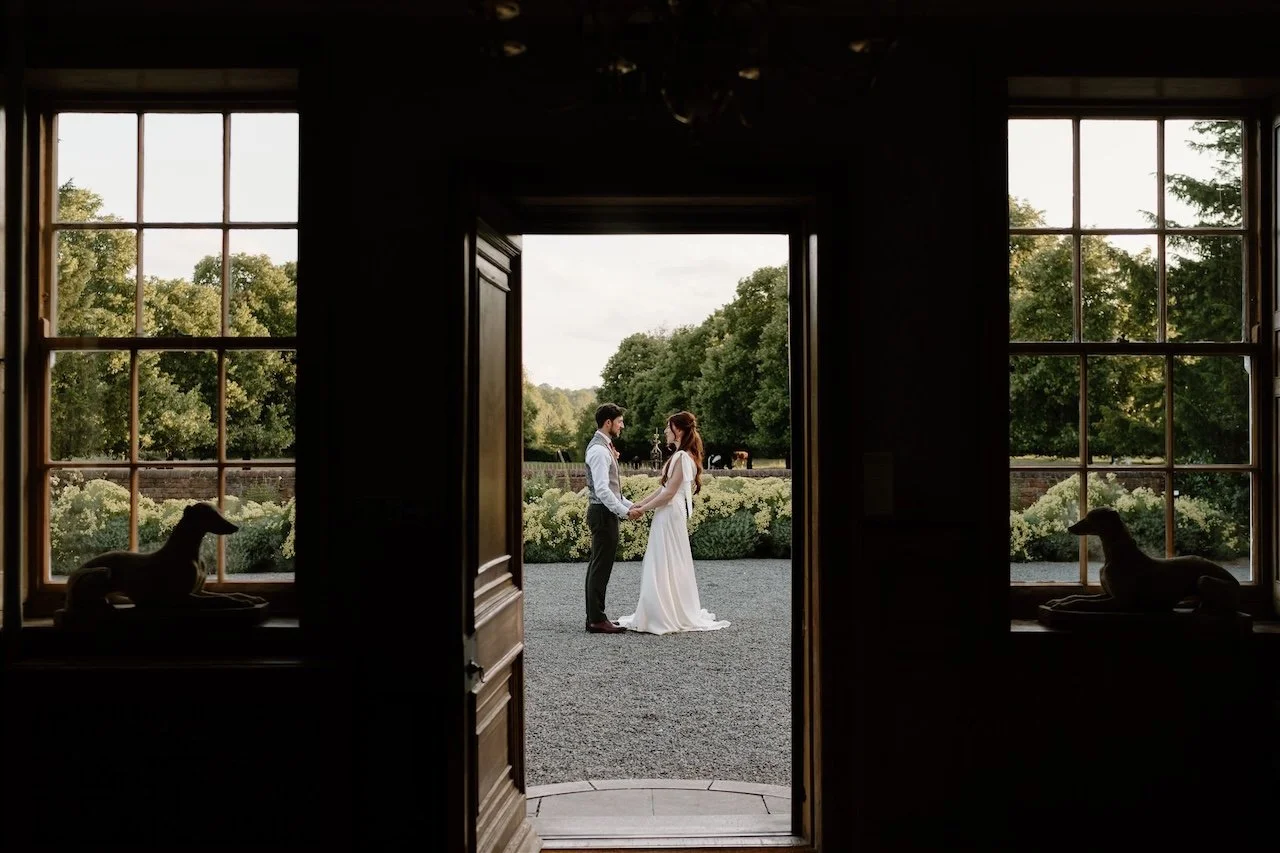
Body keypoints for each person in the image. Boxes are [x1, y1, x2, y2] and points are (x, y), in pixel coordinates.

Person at [616, 411, 730, 635]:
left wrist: (642, 509)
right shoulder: (682, 456)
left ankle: (663, 613)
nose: (666, 431)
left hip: (669, 514)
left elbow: (668, 494)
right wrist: (639, 503)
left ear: (678, 430)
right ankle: (662, 608)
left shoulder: (681, 457)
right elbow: (663, 488)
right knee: (664, 559)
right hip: (669, 513)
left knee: (663, 559)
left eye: (669, 427)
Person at [583, 402, 640, 634]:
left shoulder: (603, 447)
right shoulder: (598, 451)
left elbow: (613, 491)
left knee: (598, 565)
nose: (622, 425)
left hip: (605, 512)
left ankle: (595, 617)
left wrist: (631, 505)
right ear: (608, 423)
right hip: (602, 514)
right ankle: (596, 619)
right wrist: (625, 512)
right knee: (600, 567)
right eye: (619, 422)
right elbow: (603, 490)